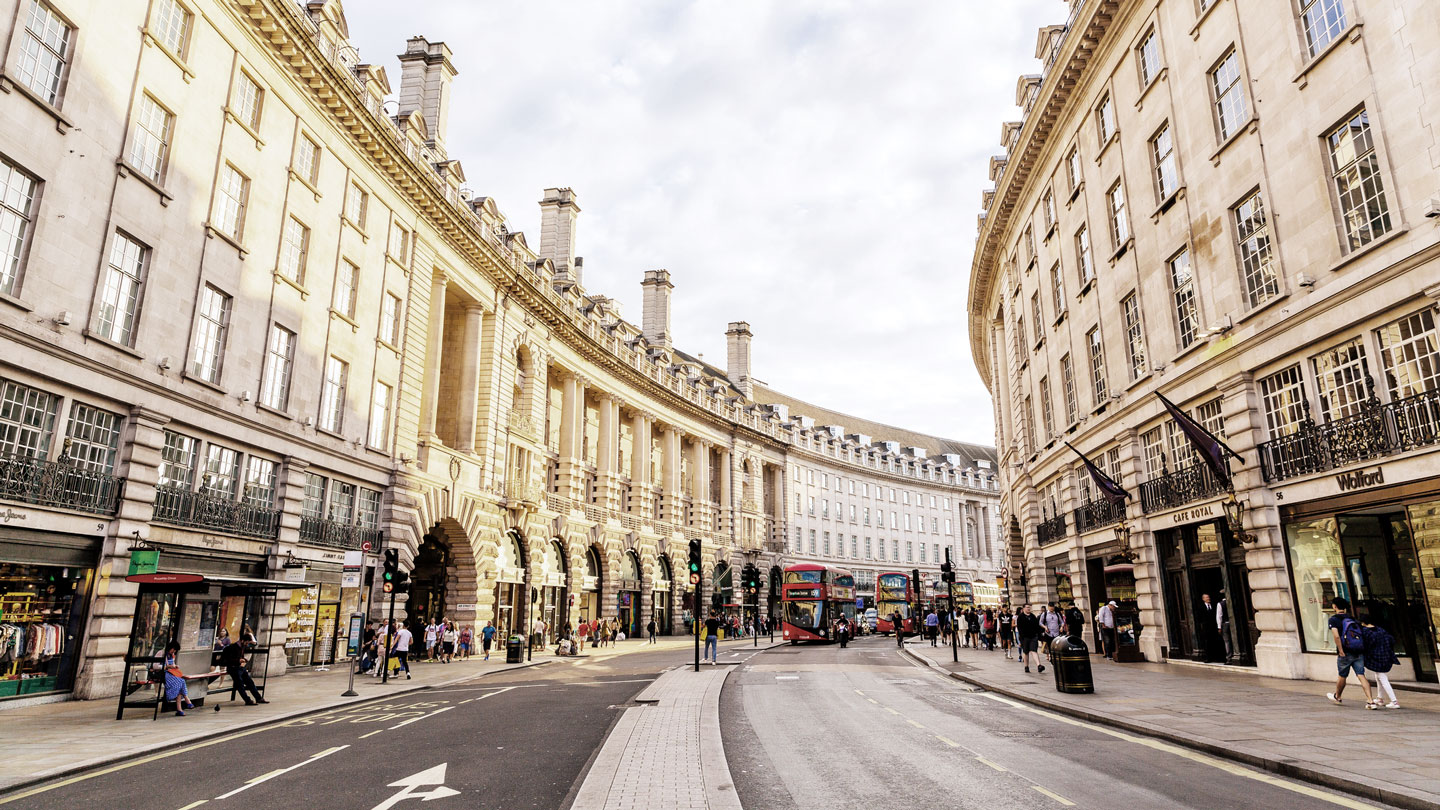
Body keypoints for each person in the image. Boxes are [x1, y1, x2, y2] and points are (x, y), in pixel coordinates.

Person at [1325, 596, 1374, 707]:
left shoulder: (1333, 619)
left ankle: (1338, 696)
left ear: (1334, 606)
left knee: (1342, 675)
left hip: (1345, 652)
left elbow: (1336, 637)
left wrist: (1341, 650)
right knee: (1361, 675)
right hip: (1358, 650)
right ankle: (1370, 700)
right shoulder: (1352, 619)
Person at [1360, 617, 1401, 709]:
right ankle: (1380, 698)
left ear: (1363, 623)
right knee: (1378, 675)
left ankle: (1394, 701)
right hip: (1386, 655)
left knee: (1382, 677)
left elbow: (1365, 645)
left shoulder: (1366, 632)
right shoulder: (1381, 630)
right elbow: (1391, 640)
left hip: (1375, 657)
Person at [219, 636, 266, 705]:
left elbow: (241, 656)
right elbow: (226, 660)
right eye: (246, 643)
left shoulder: (242, 647)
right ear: (242, 641)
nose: (247, 645)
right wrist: (238, 661)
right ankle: (247, 700)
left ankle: (258, 698)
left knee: (250, 682)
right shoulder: (231, 648)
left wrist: (243, 660)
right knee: (240, 685)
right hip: (233, 668)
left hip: (240, 667)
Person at [160, 642, 196, 716]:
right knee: (181, 681)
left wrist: (174, 666)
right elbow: (155, 666)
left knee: (180, 685)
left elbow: (171, 665)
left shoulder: (171, 655)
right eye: (174, 649)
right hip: (163, 674)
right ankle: (187, 701)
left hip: (171, 673)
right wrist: (168, 667)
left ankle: (180, 709)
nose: (174, 651)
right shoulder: (161, 653)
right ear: (170, 647)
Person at [1198, 594, 1226, 663]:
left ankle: (1218, 657)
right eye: (1207, 597)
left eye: (1208, 597)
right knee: (1207, 643)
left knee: (1216, 641)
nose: (1208, 598)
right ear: (1203, 599)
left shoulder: (1214, 605)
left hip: (1214, 627)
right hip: (1206, 628)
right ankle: (1208, 658)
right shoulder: (1201, 607)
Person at [1016, 605, 1045, 675]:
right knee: (1026, 652)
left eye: (1029, 607)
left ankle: (1039, 665)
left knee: (1034, 650)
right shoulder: (1020, 617)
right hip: (1025, 637)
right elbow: (1019, 628)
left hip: (1033, 637)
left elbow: (1037, 626)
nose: (1028, 609)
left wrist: (1039, 635)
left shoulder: (1033, 616)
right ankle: (1026, 666)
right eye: (1027, 607)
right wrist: (1021, 638)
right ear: (1023, 609)